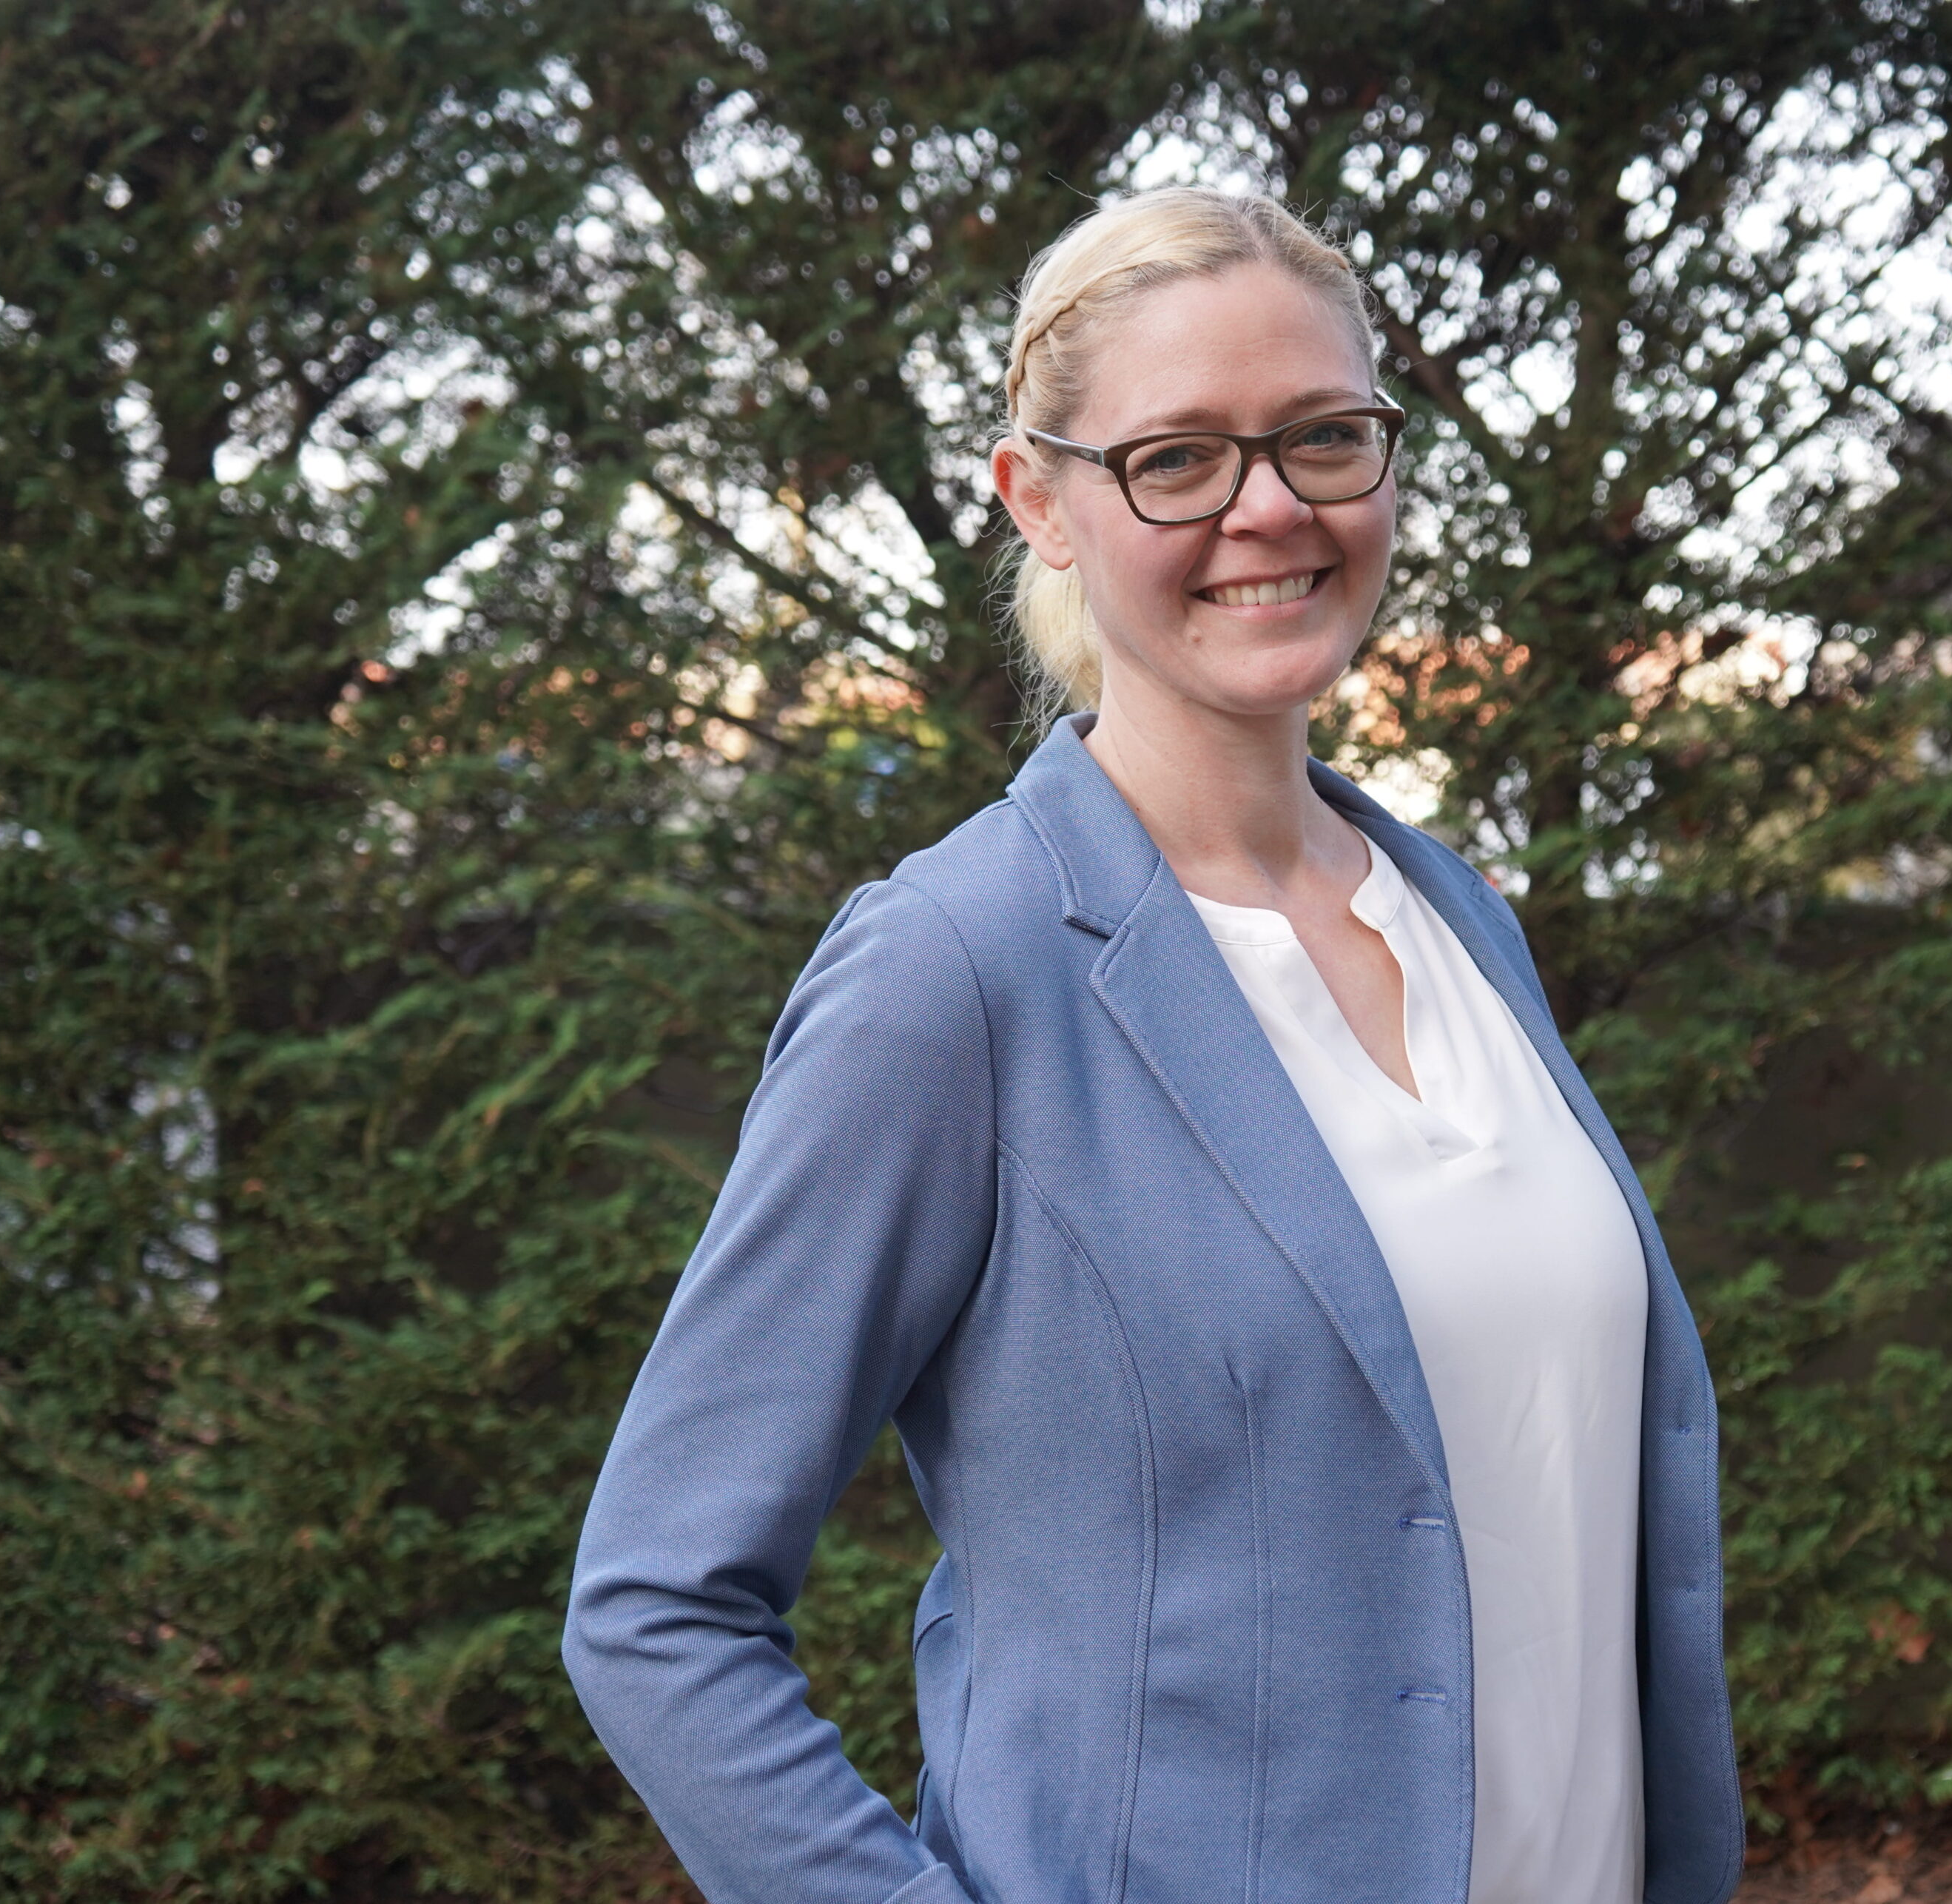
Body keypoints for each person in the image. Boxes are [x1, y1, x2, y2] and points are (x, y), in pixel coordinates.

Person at [563, 186, 1740, 1904]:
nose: (1268, 508)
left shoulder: (1459, 919)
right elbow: (657, 1601)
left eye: (1322, 439)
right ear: (1038, 500)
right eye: (1176, 459)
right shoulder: (953, 971)